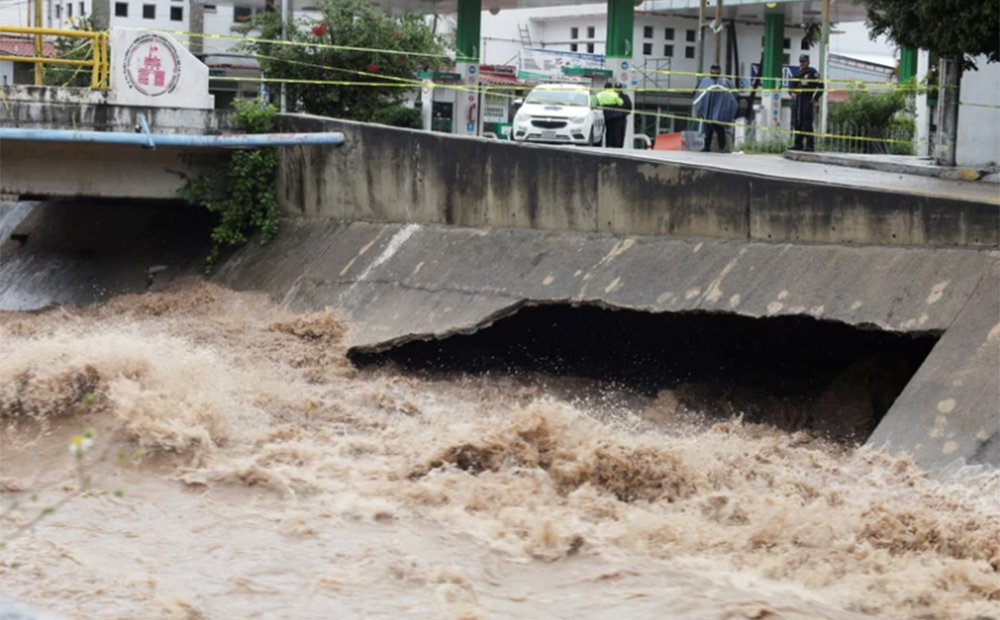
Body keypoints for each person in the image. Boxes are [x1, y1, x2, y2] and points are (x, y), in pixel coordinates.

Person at [694, 64, 738, 153]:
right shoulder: (705, 81)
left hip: (719, 111)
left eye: (716, 69)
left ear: (719, 70)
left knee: (719, 128)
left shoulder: (725, 82)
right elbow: (698, 94)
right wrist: (702, 108)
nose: (715, 71)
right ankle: (707, 147)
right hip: (707, 110)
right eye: (713, 69)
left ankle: (722, 147)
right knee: (707, 129)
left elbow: (733, 95)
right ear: (710, 70)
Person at [789, 54, 822, 152]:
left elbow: (821, 85)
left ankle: (809, 145)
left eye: (804, 62)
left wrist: (815, 97)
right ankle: (798, 143)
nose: (802, 63)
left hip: (807, 99)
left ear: (808, 62)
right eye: (801, 62)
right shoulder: (797, 73)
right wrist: (792, 93)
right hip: (798, 100)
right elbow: (791, 86)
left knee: (806, 123)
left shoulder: (813, 72)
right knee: (796, 122)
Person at [596, 82, 624, 147]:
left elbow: (595, 103)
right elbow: (621, 103)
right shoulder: (614, 95)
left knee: (601, 130)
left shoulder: (599, 95)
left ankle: (601, 143)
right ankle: (610, 144)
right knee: (612, 131)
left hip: (602, 114)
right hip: (613, 116)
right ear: (611, 87)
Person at [613, 82, 633, 149]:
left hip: (622, 118)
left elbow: (629, 108)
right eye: (616, 88)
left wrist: (623, 113)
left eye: (619, 88)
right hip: (612, 119)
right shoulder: (611, 97)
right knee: (613, 135)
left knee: (621, 135)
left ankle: (619, 148)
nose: (617, 90)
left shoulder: (625, 97)